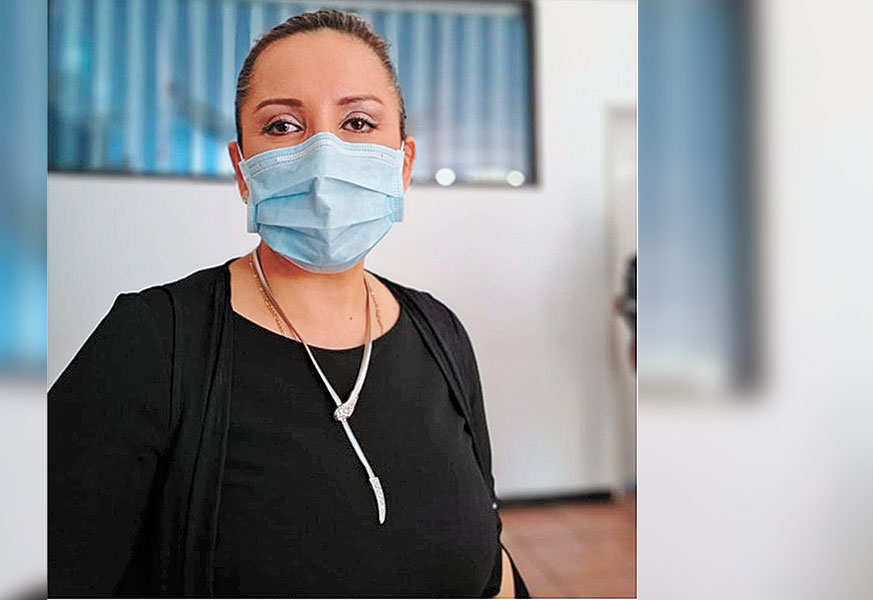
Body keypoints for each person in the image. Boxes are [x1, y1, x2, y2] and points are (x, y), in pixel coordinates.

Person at [49, 10, 528, 598]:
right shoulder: (150, 345)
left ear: (403, 165)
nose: (323, 157)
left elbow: (489, 557)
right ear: (243, 170)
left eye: (357, 122)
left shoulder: (442, 335)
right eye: (282, 126)